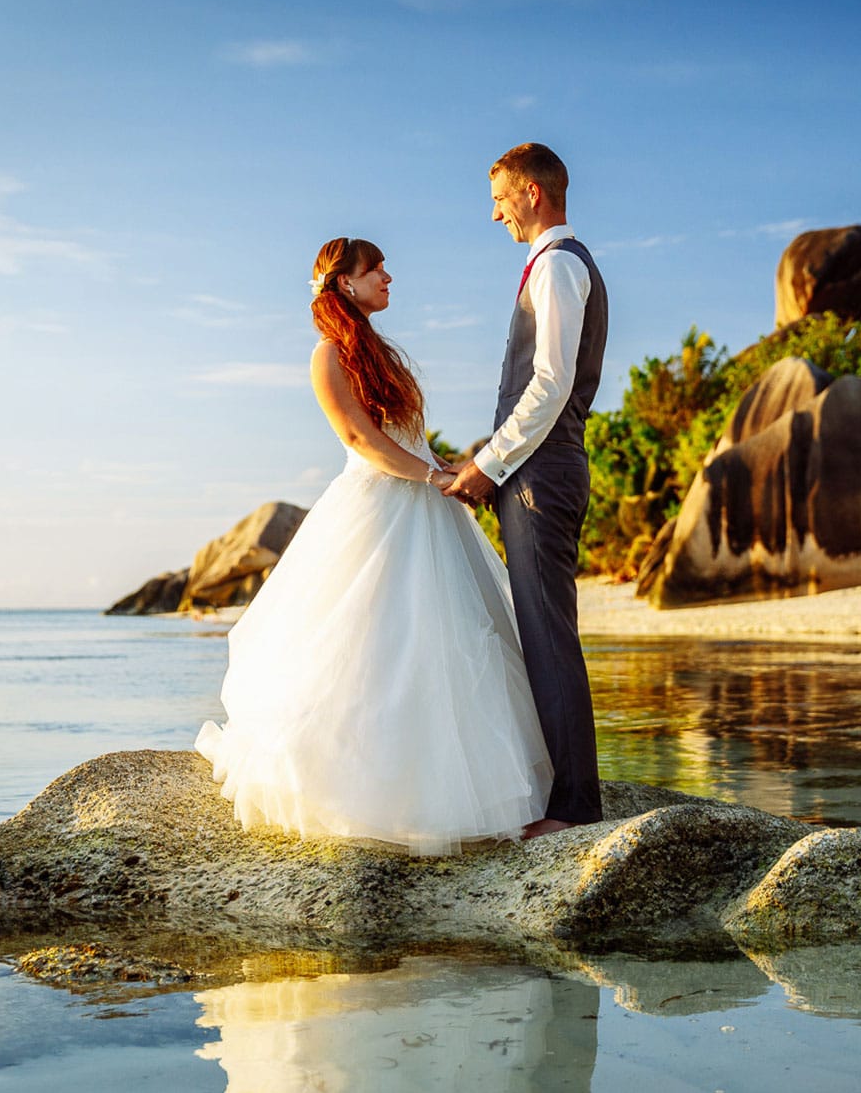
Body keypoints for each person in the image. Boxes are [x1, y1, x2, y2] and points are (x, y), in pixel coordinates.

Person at [195, 237, 553, 856]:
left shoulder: (381, 351)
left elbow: (407, 437)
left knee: (448, 642)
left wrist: (446, 467)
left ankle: (460, 787)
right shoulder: (327, 355)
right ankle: (368, 793)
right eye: (375, 269)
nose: (388, 276)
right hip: (377, 505)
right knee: (369, 643)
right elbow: (360, 440)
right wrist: (433, 477)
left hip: (422, 500)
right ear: (344, 284)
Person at [443, 143, 608, 838]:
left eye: (501, 198)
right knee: (540, 633)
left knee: (548, 637)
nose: (495, 213)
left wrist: (491, 464)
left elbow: (550, 383)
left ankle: (573, 808)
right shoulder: (556, 266)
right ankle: (562, 790)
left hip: (540, 472)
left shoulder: (560, 265)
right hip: (539, 466)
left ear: (533, 193)